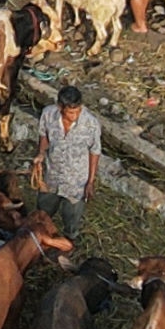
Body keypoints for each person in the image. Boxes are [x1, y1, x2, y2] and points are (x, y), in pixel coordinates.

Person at [34, 86, 103, 237]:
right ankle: (40, 236)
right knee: (43, 213)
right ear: (60, 107)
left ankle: (69, 240)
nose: (75, 116)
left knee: (71, 219)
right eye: (71, 112)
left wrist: (90, 181)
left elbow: (95, 152)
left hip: (76, 183)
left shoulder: (91, 124)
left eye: (78, 111)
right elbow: (43, 135)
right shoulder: (48, 114)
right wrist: (41, 153)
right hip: (51, 176)